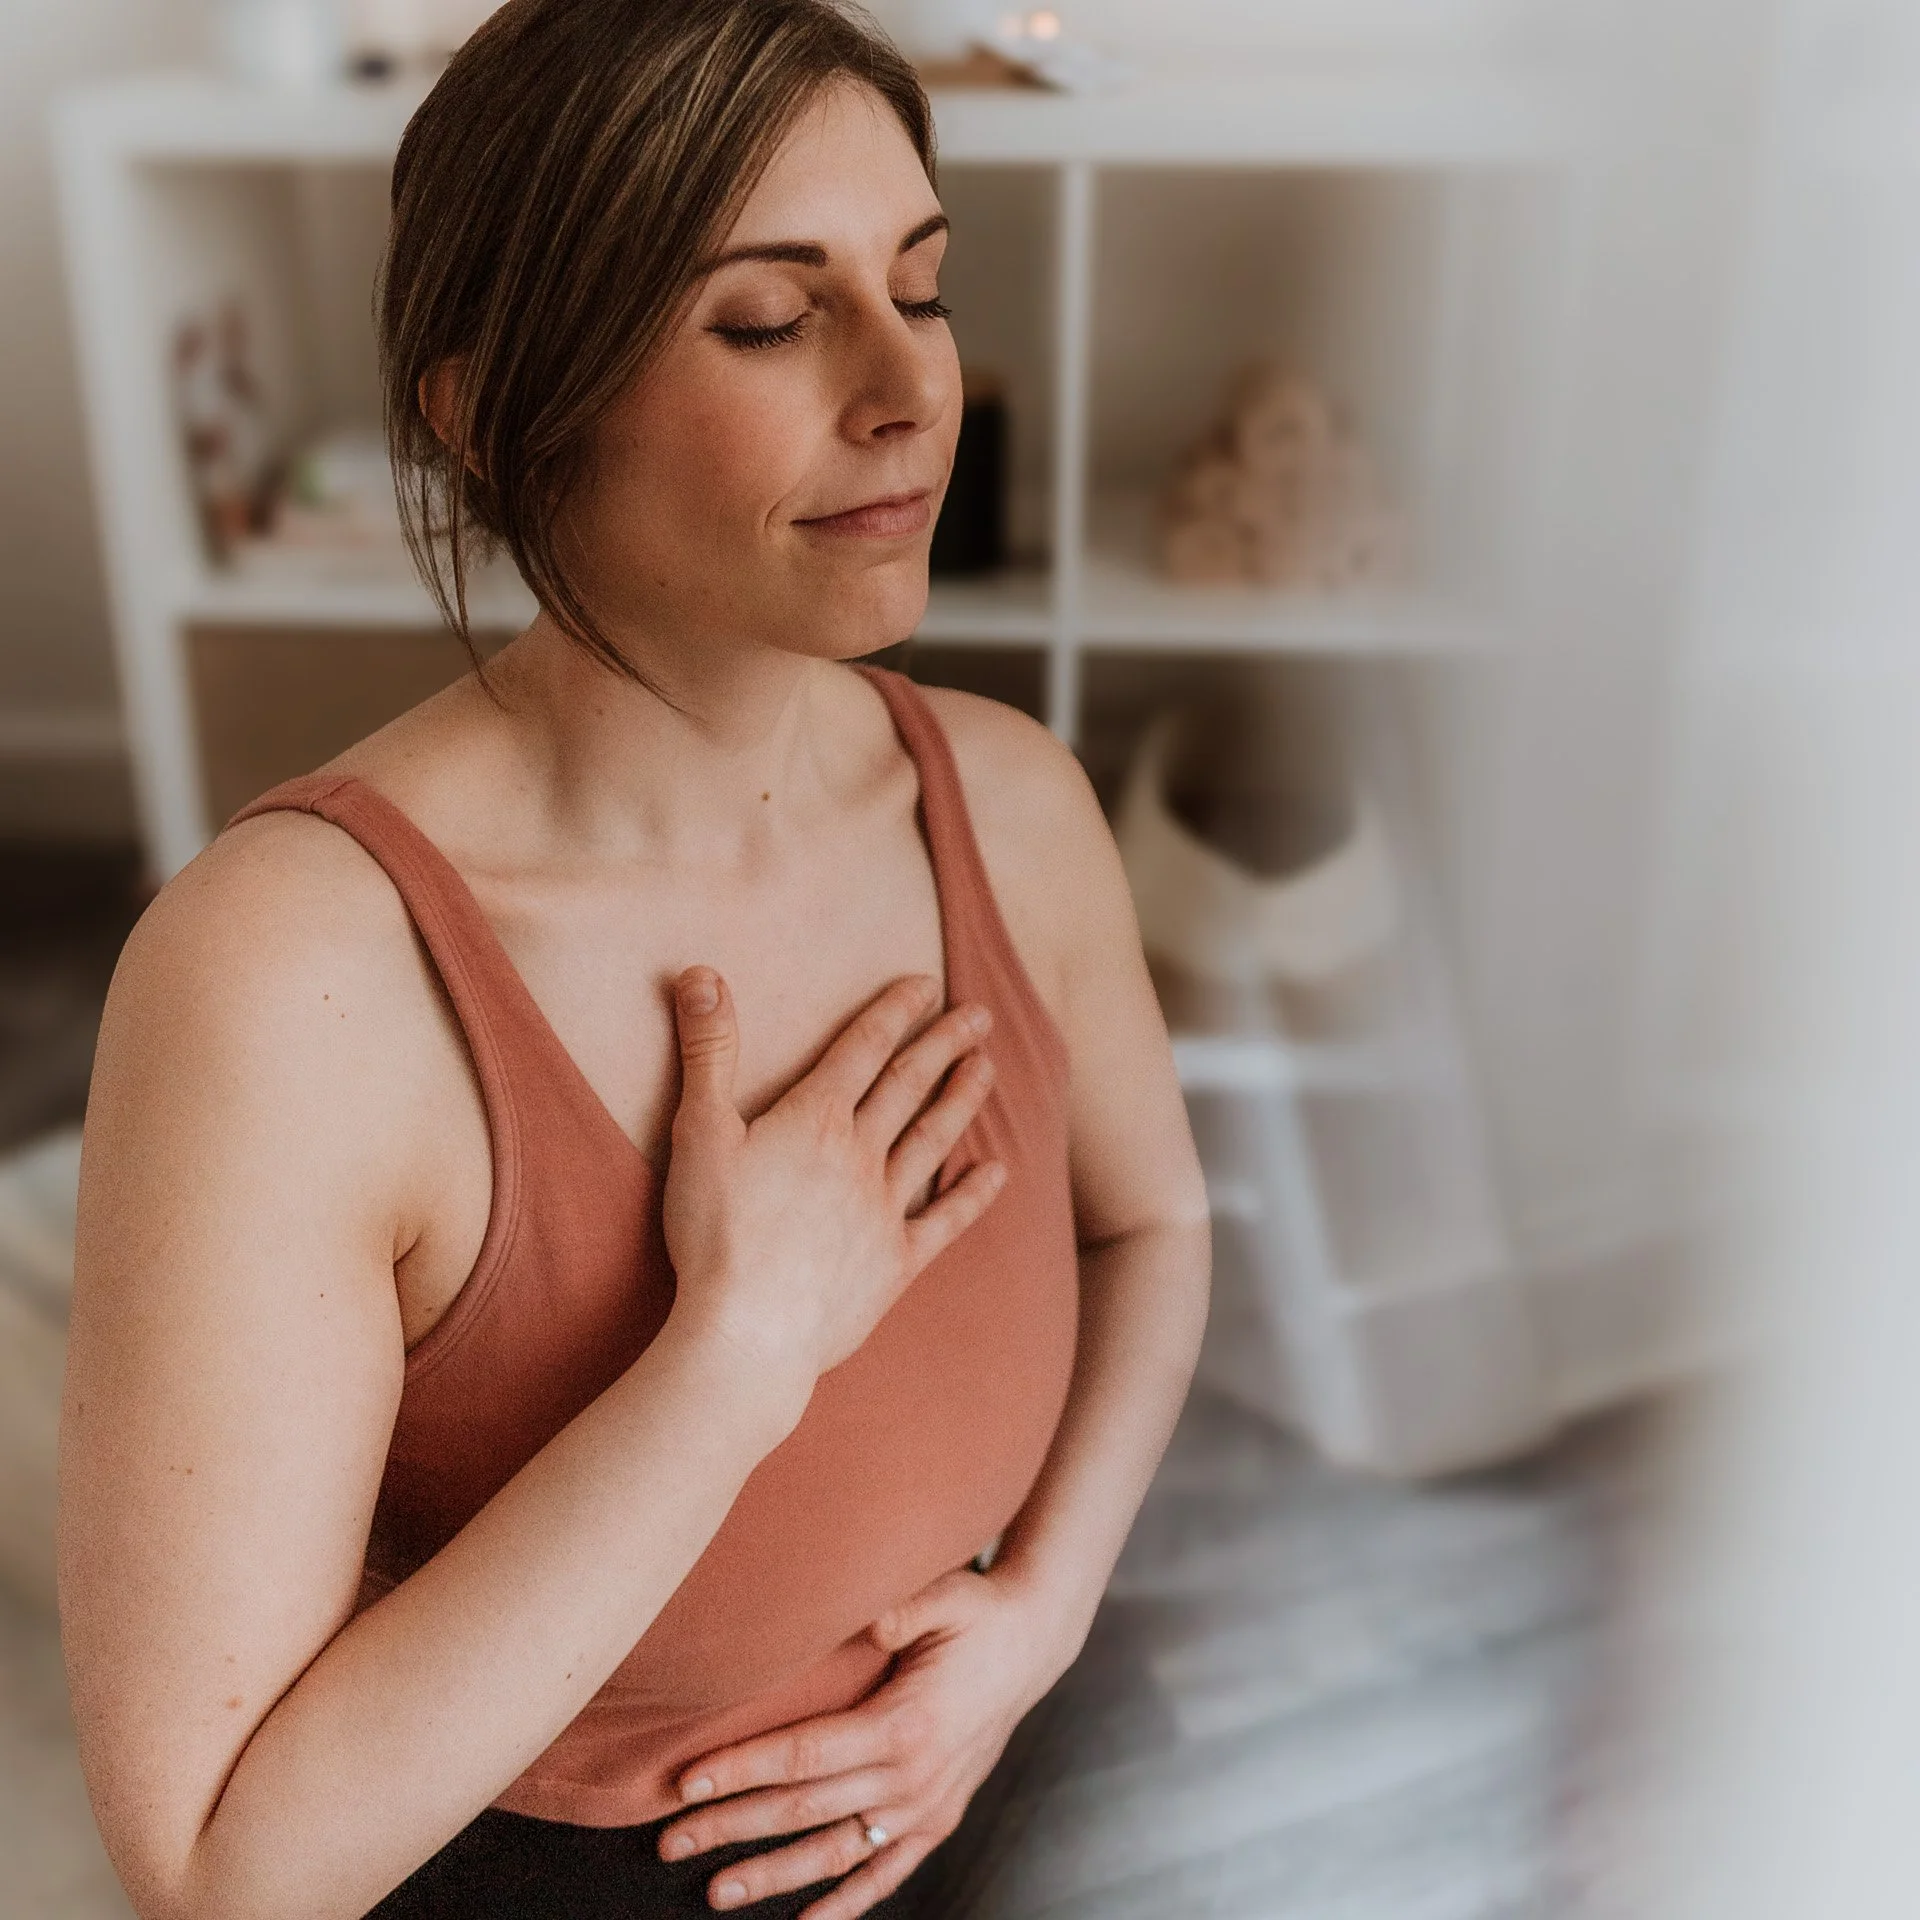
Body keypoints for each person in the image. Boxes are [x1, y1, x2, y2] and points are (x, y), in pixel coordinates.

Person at [57, 2, 1212, 1915]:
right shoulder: (285, 979)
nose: (912, 387)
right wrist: (736, 1359)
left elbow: (1149, 1226)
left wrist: (1036, 1622)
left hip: (999, 1751)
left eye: (921, 289)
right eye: (769, 318)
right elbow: (220, 1873)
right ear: (493, 410)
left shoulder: (1011, 801)